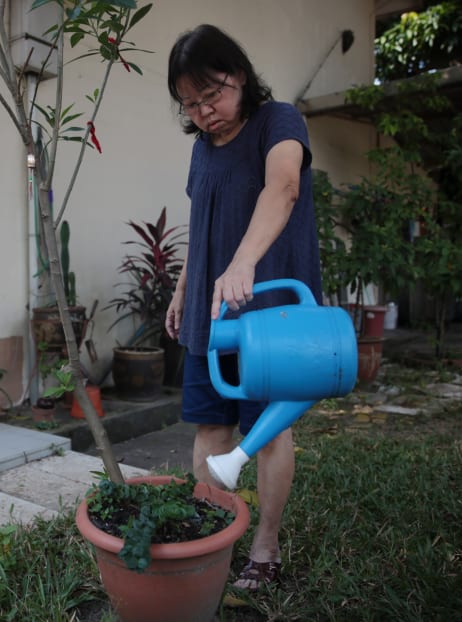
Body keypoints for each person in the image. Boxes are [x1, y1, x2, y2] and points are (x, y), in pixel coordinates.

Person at [164, 24, 323, 591]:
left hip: (270, 313)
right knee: (210, 428)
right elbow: (200, 225)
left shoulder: (278, 121)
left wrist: (242, 264)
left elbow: (282, 188)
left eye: (213, 94)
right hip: (215, 316)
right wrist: (185, 287)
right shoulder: (201, 151)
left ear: (240, 76)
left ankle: (265, 550)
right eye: (191, 103)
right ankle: (213, 539)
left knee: (269, 433)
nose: (205, 112)